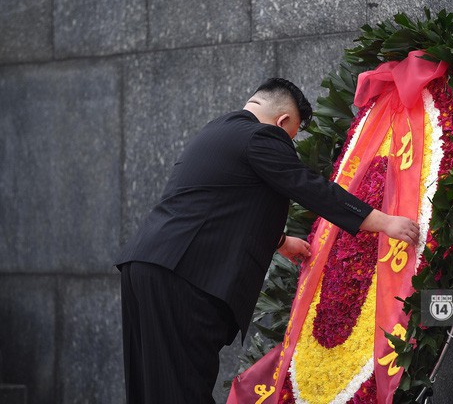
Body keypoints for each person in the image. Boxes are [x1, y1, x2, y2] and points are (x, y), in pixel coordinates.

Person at [115, 78, 420, 403]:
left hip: (147, 266)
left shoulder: (217, 131)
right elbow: (308, 186)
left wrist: (279, 241)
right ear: (283, 122)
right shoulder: (262, 135)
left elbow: (220, 204)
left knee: (151, 390)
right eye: (290, 137)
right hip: (185, 278)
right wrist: (382, 220)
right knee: (184, 388)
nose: (286, 145)